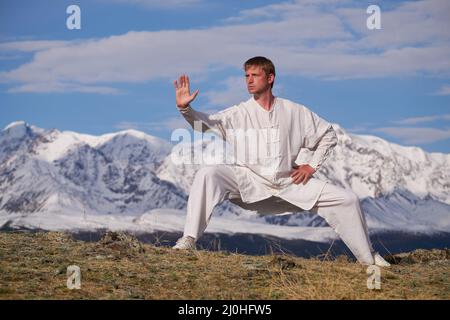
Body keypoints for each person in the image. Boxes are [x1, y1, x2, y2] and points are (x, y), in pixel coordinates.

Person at [172, 56, 390, 267]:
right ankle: (189, 239)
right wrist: (185, 109)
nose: (248, 80)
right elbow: (203, 125)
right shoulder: (238, 113)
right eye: (246, 75)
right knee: (209, 174)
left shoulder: (295, 111)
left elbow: (328, 135)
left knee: (348, 199)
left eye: (255, 75)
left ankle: (369, 259)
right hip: (250, 181)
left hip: (290, 183)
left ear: (270, 78)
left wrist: (311, 166)